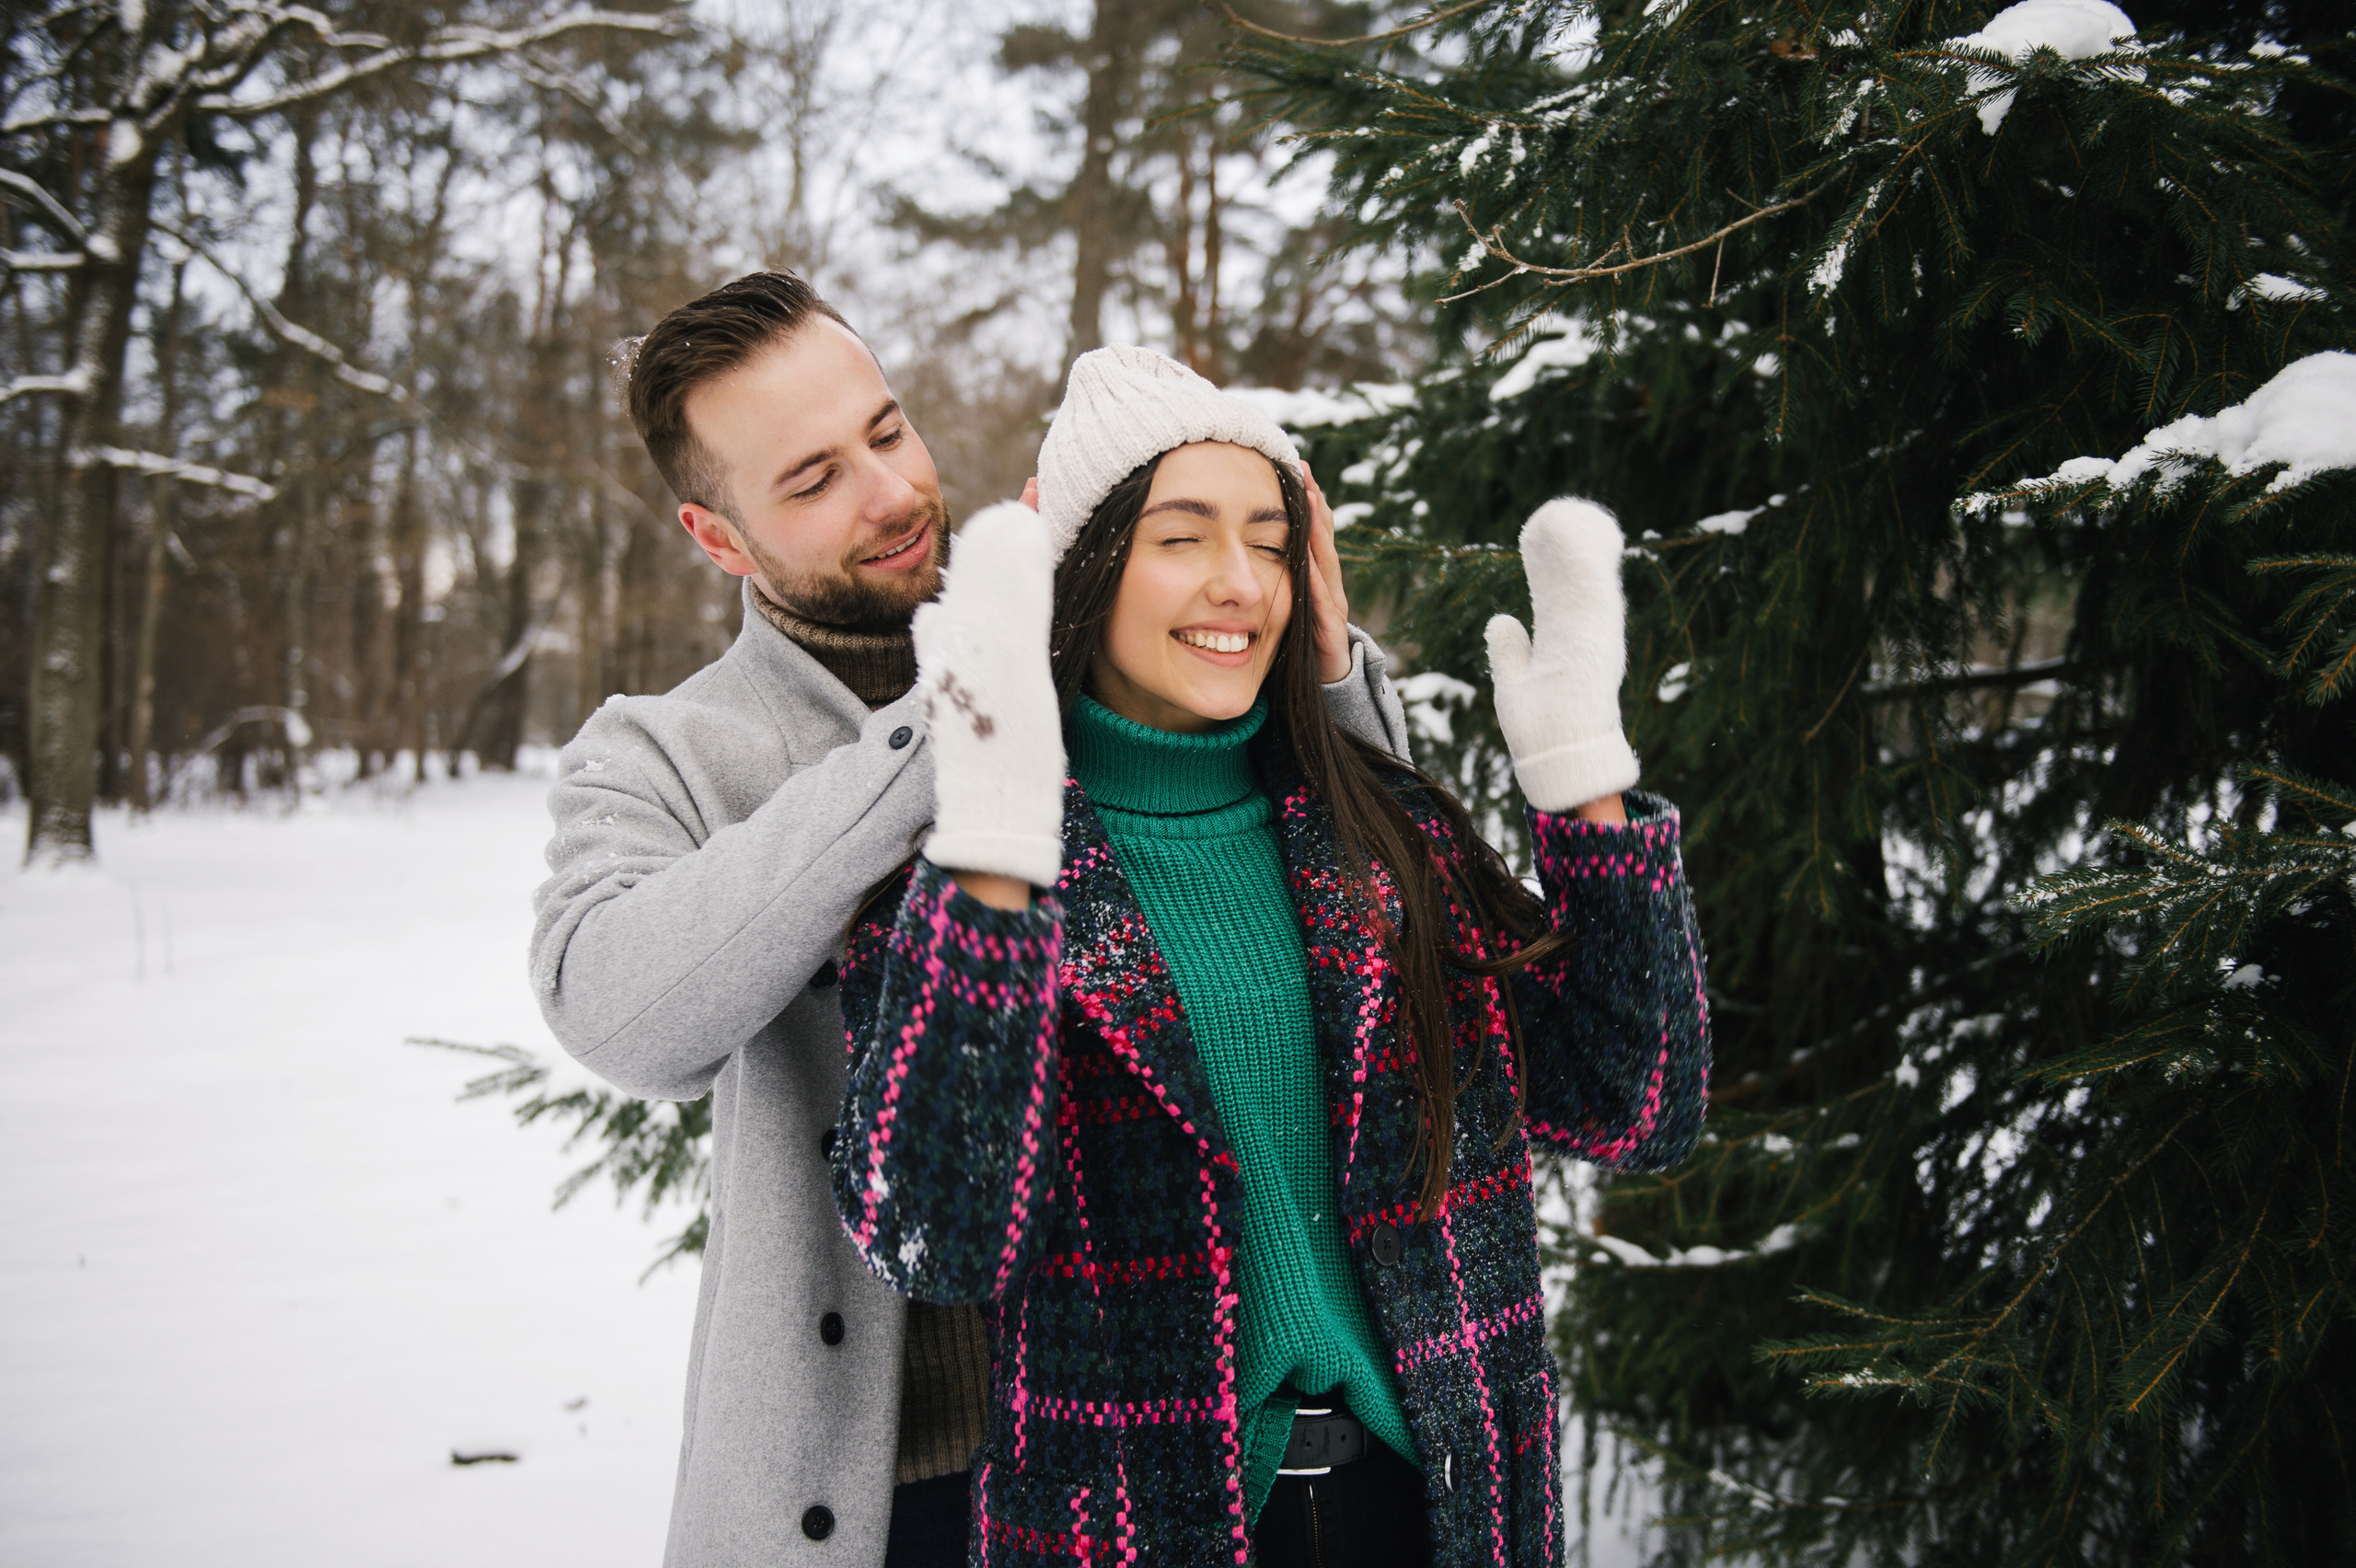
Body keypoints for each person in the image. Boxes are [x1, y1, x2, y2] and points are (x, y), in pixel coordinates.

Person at [529, 276, 1415, 1567]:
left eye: (888, 433)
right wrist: (950, 721)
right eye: (812, 478)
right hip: (871, 1492)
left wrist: (1328, 668)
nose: (889, 494)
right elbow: (615, 1014)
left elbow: (1359, 903)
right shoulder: (663, 753)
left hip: (1146, 1451)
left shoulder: (1098, 640)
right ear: (719, 538)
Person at [830, 345, 1712, 1566]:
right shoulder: (978, 883)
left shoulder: (1381, 834)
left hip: (1438, 1508)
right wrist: (989, 861)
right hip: (1139, 1528)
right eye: (1182, 536)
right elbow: (936, 1237)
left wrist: (1590, 798)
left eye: (1271, 538)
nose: (1240, 581)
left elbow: (1636, 1108)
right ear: (1090, 571)